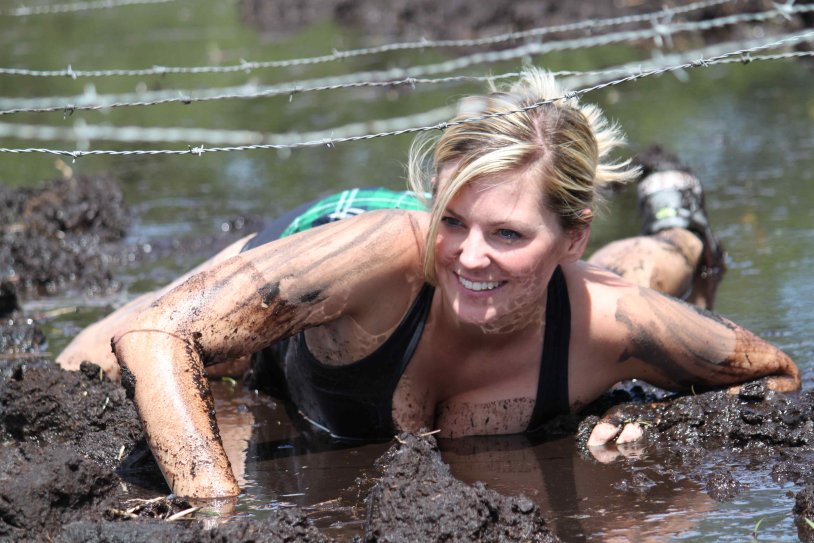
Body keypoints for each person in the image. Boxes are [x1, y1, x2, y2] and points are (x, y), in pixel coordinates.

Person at [57, 68, 800, 499]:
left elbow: (776, 374)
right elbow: (156, 338)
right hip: (336, 254)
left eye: (508, 232)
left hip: (566, 292)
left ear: (571, 236)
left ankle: (678, 217)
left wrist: (661, 422)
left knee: (655, 269)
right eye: (458, 221)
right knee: (72, 371)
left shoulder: (607, 314)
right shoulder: (390, 251)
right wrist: (214, 507)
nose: (471, 255)